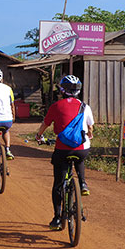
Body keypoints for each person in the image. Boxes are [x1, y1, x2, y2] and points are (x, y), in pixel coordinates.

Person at [35, 75, 94, 230]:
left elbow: (45, 124)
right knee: (80, 158)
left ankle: (57, 218)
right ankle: (82, 183)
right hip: (81, 149)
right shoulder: (85, 106)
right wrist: (89, 135)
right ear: (78, 90)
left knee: (58, 185)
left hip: (62, 149)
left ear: (62, 90)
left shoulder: (56, 106)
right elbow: (90, 128)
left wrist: (39, 136)